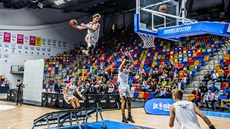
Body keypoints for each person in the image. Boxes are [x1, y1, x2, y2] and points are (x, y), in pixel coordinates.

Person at [118, 52, 135, 123]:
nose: (129, 65)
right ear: (125, 65)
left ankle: (129, 116)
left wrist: (130, 55)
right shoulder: (121, 70)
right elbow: (121, 66)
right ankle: (123, 117)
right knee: (123, 101)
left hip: (127, 86)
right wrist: (124, 59)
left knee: (129, 101)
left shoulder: (127, 70)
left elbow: (134, 64)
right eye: (128, 64)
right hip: (122, 86)